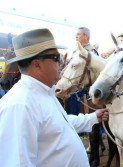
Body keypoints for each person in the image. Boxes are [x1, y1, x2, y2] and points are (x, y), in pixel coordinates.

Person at [0, 28, 108, 166]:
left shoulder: (42, 92)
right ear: (37, 64)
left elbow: (58, 124)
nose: (61, 63)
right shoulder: (19, 106)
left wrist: (93, 117)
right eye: (56, 58)